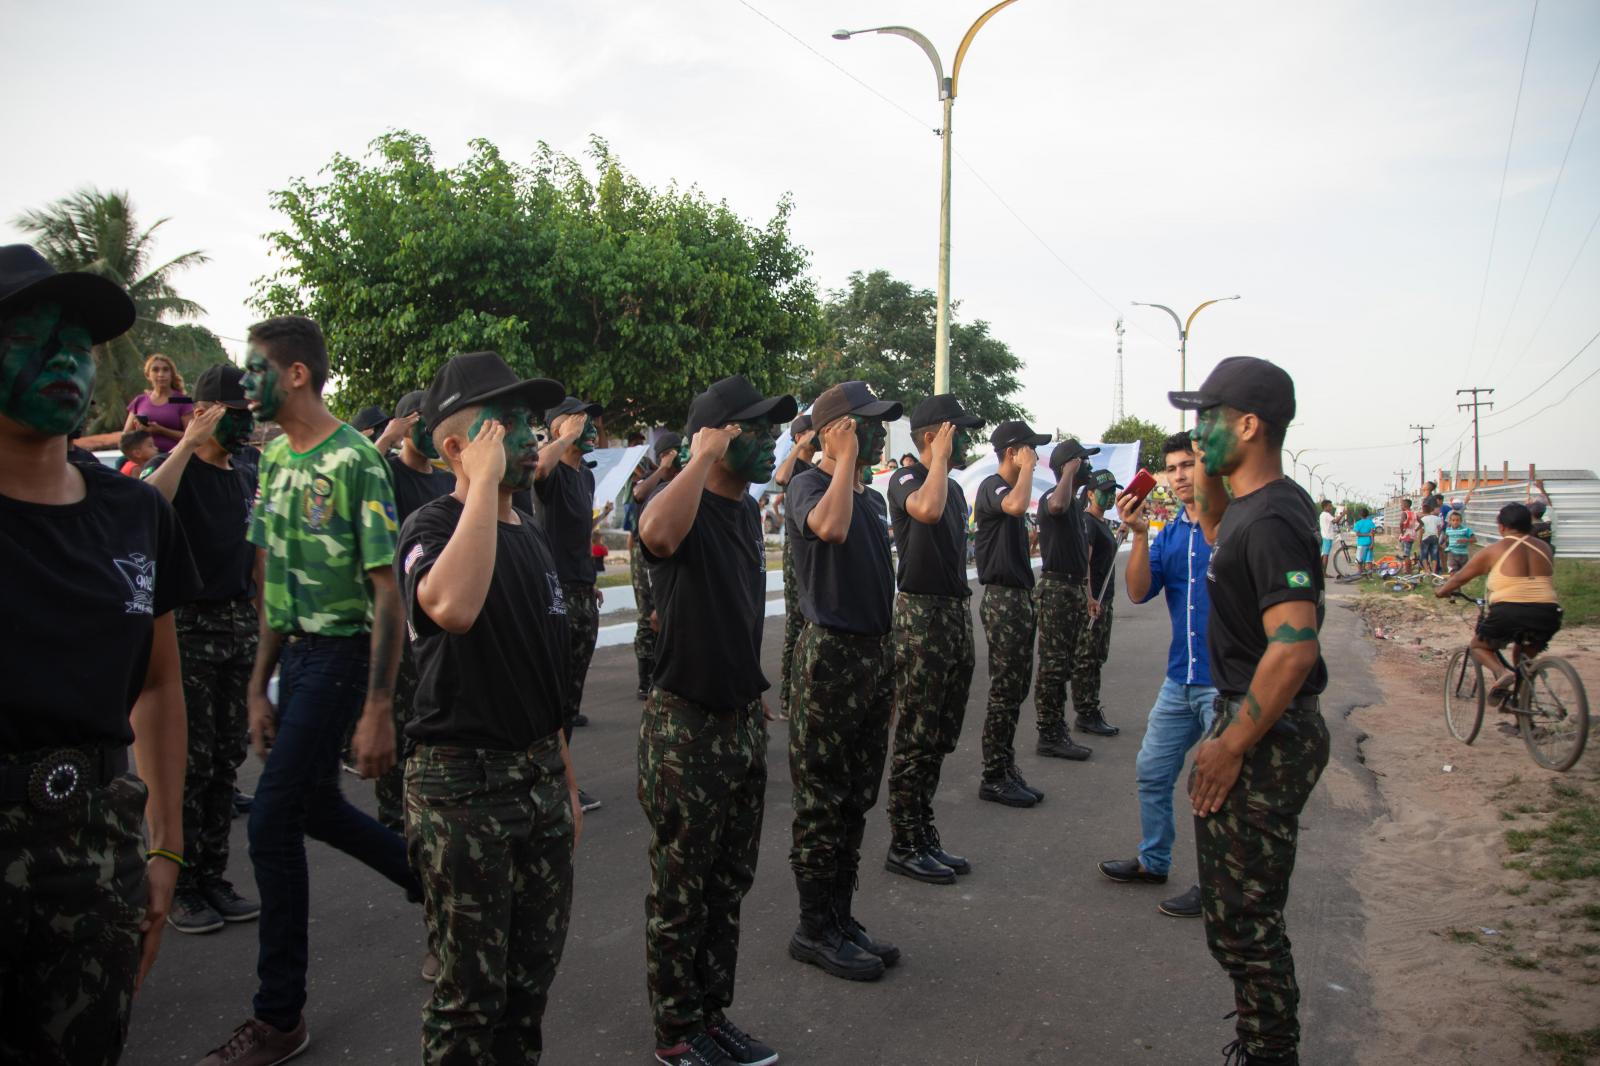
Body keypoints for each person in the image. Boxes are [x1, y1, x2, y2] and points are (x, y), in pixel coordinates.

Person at [197, 315, 419, 1066]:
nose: (243, 383)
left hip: (344, 654)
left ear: (295, 374)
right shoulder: (276, 460)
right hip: (296, 657)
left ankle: (279, 1016)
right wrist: (259, 684)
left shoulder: (354, 460)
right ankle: (434, 880)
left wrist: (379, 705)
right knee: (315, 805)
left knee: (269, 824)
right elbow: (271, 588)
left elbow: (387, 593)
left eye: (254, 369)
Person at [0, 243, 199, 1066]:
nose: (62, 360)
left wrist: (162, 845)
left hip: (95, 855)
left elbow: (157, 682)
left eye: (77, 344)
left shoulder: (133, 513)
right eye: (30, 337)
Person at [398, 351, 577, 1064]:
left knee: (528, 988)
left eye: (531, 420)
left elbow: (544, 678)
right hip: (462, 793)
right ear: (454, 448)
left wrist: (560, 780)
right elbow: (452, 606)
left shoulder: (529, 536)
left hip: (536, 786)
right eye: (506, 424)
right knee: (469, 1000)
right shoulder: (433, 527)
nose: (530, 435)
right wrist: (479, 488)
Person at [1170, 356, 1331, 1066]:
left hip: (1265, 728)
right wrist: (1207, 473)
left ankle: (1271, 1052)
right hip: (1251, 718)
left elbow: (1293, 648)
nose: (1194, 434)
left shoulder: (1271, 519)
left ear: (1249, 424)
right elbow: (1214, 538)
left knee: (1245, 918)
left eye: (1207, 419)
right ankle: (1262, 1039)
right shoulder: (1247, 510)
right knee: (1232, 911)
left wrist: (1231, 743)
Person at [637, 374, 795, 1066]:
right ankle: (677, 1032)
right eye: (754, 430)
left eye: (770, 430)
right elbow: (652, 532)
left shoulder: (741, 512)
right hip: (685, 729)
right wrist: (698, 456)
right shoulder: (688, 504)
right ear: (717, 435)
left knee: (727, 882)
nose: (770, 441)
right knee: (683, 888)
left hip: (736, 719)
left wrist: (749, 687)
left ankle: (710, 1012)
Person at [785, 380, 903, 983]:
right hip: (830, 657)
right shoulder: (809, 484)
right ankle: (813, 929)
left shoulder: (872, 499)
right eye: (863, 423)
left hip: (871, 657)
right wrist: (843, 460)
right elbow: (828, 529)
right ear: (837, 429)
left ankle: (840, 915)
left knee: (857, 796)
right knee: (823, 800)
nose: (874, 432)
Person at [142, 364, 263, 934]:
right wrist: (187, 443)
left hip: (239, 625)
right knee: (188, 764)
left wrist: (265, 625)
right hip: (189, 628)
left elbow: (255, 553)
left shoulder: (244, 473)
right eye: (232, 416)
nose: (243, 427)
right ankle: (183, 882)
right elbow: (143, 509)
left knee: (224, 760)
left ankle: (213, 874)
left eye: (247, 416)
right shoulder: (178, 470)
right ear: (204, 413)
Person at [1096, 431, 1218, 918]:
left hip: (1225, 684)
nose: (1181, 474)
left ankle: (1220, 886)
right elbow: (1140, 591)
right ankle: (1154, 860)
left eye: (1189, 464)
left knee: (1217, 787)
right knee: (1152, 771)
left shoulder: (1230, 527)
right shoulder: (1169, 534)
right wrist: (1141, 535)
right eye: (1173, 468)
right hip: (1180, 678)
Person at [883, 395, 982, 885]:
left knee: (941, 731)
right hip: (920, 616)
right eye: (954, 430)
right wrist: (937, 460)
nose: (962, 438)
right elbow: (924, 511)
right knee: (917, 733)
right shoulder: (905, 480)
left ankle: (923, 830)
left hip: (953, 614)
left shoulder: (956, 489)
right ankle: (904, 840)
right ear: (931, 436)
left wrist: (944, 467)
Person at [375, 389, 456, 837]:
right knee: (400, 713)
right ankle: (392, 812)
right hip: (399, 611)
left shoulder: (444, 481)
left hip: (436, 613)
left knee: (433, 708)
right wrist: (387, 437)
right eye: (421, 423)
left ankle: (425, 801)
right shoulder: (385, 471)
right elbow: (357, 475)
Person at [974, 420, 1053, 809]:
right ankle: (994, 775)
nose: (1036, 457)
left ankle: (1005, 767)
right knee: (1005, 690)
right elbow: (1016, 505)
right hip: (1003, 599)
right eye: (1030, 450)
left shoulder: (1010, 486)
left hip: (1018, 598)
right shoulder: (994, 486)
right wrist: (1024, 472)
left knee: (1016, 688)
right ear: (1012, 452)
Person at [535, 395, 605, 811]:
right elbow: (539, 468)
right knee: (552, 693)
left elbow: (578, 535)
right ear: (558, 427)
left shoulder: (586, 477)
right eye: (580, 420)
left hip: (582, 591)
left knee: (570, 696)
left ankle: (558, 776)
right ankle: (552, 781)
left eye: (590, 421)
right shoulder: (552, 469)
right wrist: (565, 436)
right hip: (554, 594)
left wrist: (590, 580)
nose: (590, 426)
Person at [1434, 501, 1561, 707]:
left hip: (1510, 610)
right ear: (1529, 525)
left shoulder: (1495, 549)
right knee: (1523, 657)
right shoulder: (1544, 548)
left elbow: (1459, 578)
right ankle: (1522, 710)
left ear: (1501, 526)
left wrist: (1441, 591)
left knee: (1478, 646)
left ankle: (1502, 674)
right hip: (1548, 612)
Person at [1032, 439, 1099, 760]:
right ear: (1070, 464)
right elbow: (1055, 506)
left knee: (1065, 665)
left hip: (1071, 589)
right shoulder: (1054, 497)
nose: (1088, 466)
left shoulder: (1073, 502)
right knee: (1053, 667)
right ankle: (1049, 733)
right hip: (1056, 590)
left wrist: (1087, 592)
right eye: (1083, 461)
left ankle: (1056, 728)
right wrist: (1068, 475)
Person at [629, 433, 684, 700]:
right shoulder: (651, 477)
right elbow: (638, 494)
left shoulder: (683, 480)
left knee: (667, 613)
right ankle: (644, 678)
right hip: (644, 554)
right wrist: (663, 468)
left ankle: (664, 671)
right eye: (674, 452)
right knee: (647, 614)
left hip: (671, 552)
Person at [774, 413, 817, 718]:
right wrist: (797, 445)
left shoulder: (815, 469)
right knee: (795, 624)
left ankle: (806, 689)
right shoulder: (796, 467)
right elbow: (780, 478)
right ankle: (787, 696)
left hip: (814, 549)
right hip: (795, 552)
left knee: (811, 622)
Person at [1072, 469, 1121, 737]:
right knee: (1087, 659)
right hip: (1095, 602)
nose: (1111, 496)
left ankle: (1090, 708)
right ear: (1090, 493)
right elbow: (1085, 563)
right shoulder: (1088, 522)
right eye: (1105, 491)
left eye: (1113, 491)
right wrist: (1089, 596)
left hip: (1106, 600)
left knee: (1097, 657)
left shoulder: (1102, 523)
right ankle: (1085, 712)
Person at [123, 352, 194, 453]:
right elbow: (126, 435)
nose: (161, 374)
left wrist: (161, 430)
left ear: (172, 374)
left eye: (165, 370)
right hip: (144, 458)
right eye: (155, 370)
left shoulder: (181, 400)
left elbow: (191, 436)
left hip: (173, 456)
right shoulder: (140, 400)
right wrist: (139, 431)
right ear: (148, 375)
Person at [1418, 501, 1443, 575]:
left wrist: (1419, 541)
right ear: (1431, 510)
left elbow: (1421, 531)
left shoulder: (1422, 519)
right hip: (1434, 537)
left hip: (1425, 538)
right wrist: (1437, 538)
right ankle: (1434, 571)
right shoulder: (1437, 518)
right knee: (1434, 555)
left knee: (1424, 555)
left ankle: (1427, 570)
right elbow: (1439, 529)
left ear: (1423, 511)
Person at [1351, 506, 1376, 574]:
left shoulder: (1358, 523)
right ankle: (1370, 575)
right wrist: (1372, 543)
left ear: (1359, 515)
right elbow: (1372, 534)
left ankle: (1360, 572)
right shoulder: (1370, 522)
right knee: (1369, 560)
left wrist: (1366, 534)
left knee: (1360, 560)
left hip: (1361, 544)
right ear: (1367, 514)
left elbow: (1357, 534)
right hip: (1369, 543)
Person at [1316, 500, 1336, 576]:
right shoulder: (1326, 515)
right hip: (1327, 537)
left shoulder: (1322, 515)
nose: (1331, 507)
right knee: (1326, 555)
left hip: (1325, 536)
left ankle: (1320, 571)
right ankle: (1324, 573)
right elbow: (1335, 521)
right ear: (1325, 507)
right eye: (1330, 506)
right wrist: (1343, 514)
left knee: (1323, 554)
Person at [1396, 498, 1416, 570]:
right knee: (1407, 552)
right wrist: (1415, 530)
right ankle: (1407, 568)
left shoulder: (1404, 513)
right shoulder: (1413, 513)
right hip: (1412, 535)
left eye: (1401, 505)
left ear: (1405, 505)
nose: (1400, 506)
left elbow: (1401, 523)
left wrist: (1402, 532)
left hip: (1406, 535)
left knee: (1406, 554)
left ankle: (1408, 570)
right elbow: (1421, 523)